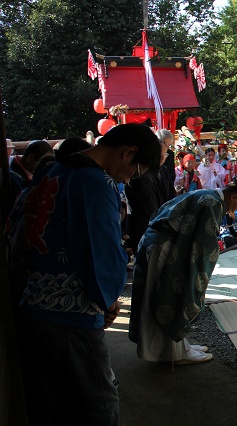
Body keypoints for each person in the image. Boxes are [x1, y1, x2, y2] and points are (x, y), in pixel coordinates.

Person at [13, 124, 161, 425]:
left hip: (31, 301)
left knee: (48, 401)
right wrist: (107, 300)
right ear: (128, 152)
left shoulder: (51, 171)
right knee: (98, 405)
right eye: (135, 171)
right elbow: (101, 252)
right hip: (71, 312)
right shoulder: (95, 183)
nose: (129, 179)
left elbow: (17, 231)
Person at [130, 172, 237, 362]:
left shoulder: (209, 195)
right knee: (168, 296)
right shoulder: (212, 203)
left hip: (158, 244)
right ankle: (170, 353)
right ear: (234, 196)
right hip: (162, 248)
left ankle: (175, 349)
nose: (233, 211)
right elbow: (202, 246)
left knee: (160, 295)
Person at [125, 131, 176, 255]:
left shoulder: (163, 170)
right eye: (161, 154)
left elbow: (170, 193)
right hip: (144, 225)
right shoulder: (139, 173)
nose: (163, 157)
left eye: (165, 154)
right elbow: (145, 202)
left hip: (162, 222)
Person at [8, 139, 54, 208]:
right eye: (42, 163)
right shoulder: (13, 179)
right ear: (30, 158)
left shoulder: (19, 174)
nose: (44, 168)